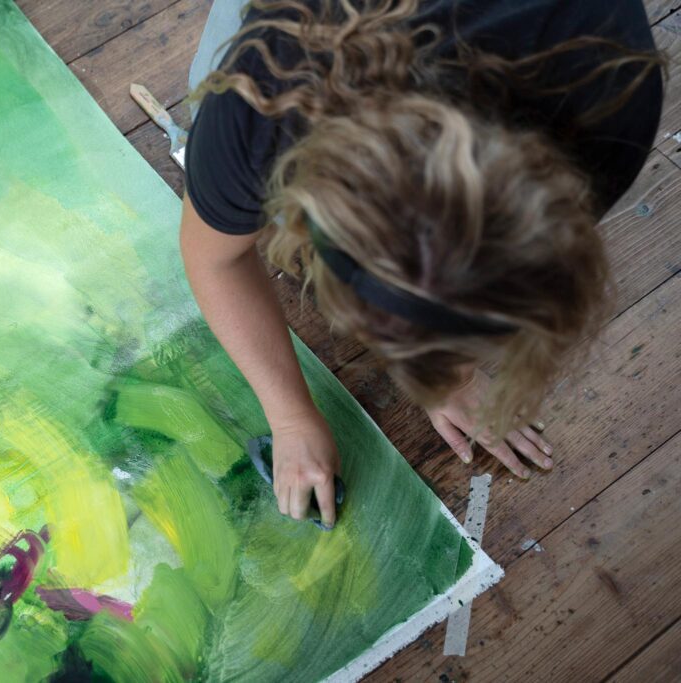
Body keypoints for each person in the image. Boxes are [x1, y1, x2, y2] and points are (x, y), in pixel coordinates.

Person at [179, 0, 664, 529]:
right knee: (217, 145)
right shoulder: (263, 98)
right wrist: (290, 415)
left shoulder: (613, 90)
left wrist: (450, 378)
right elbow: (216, 261)